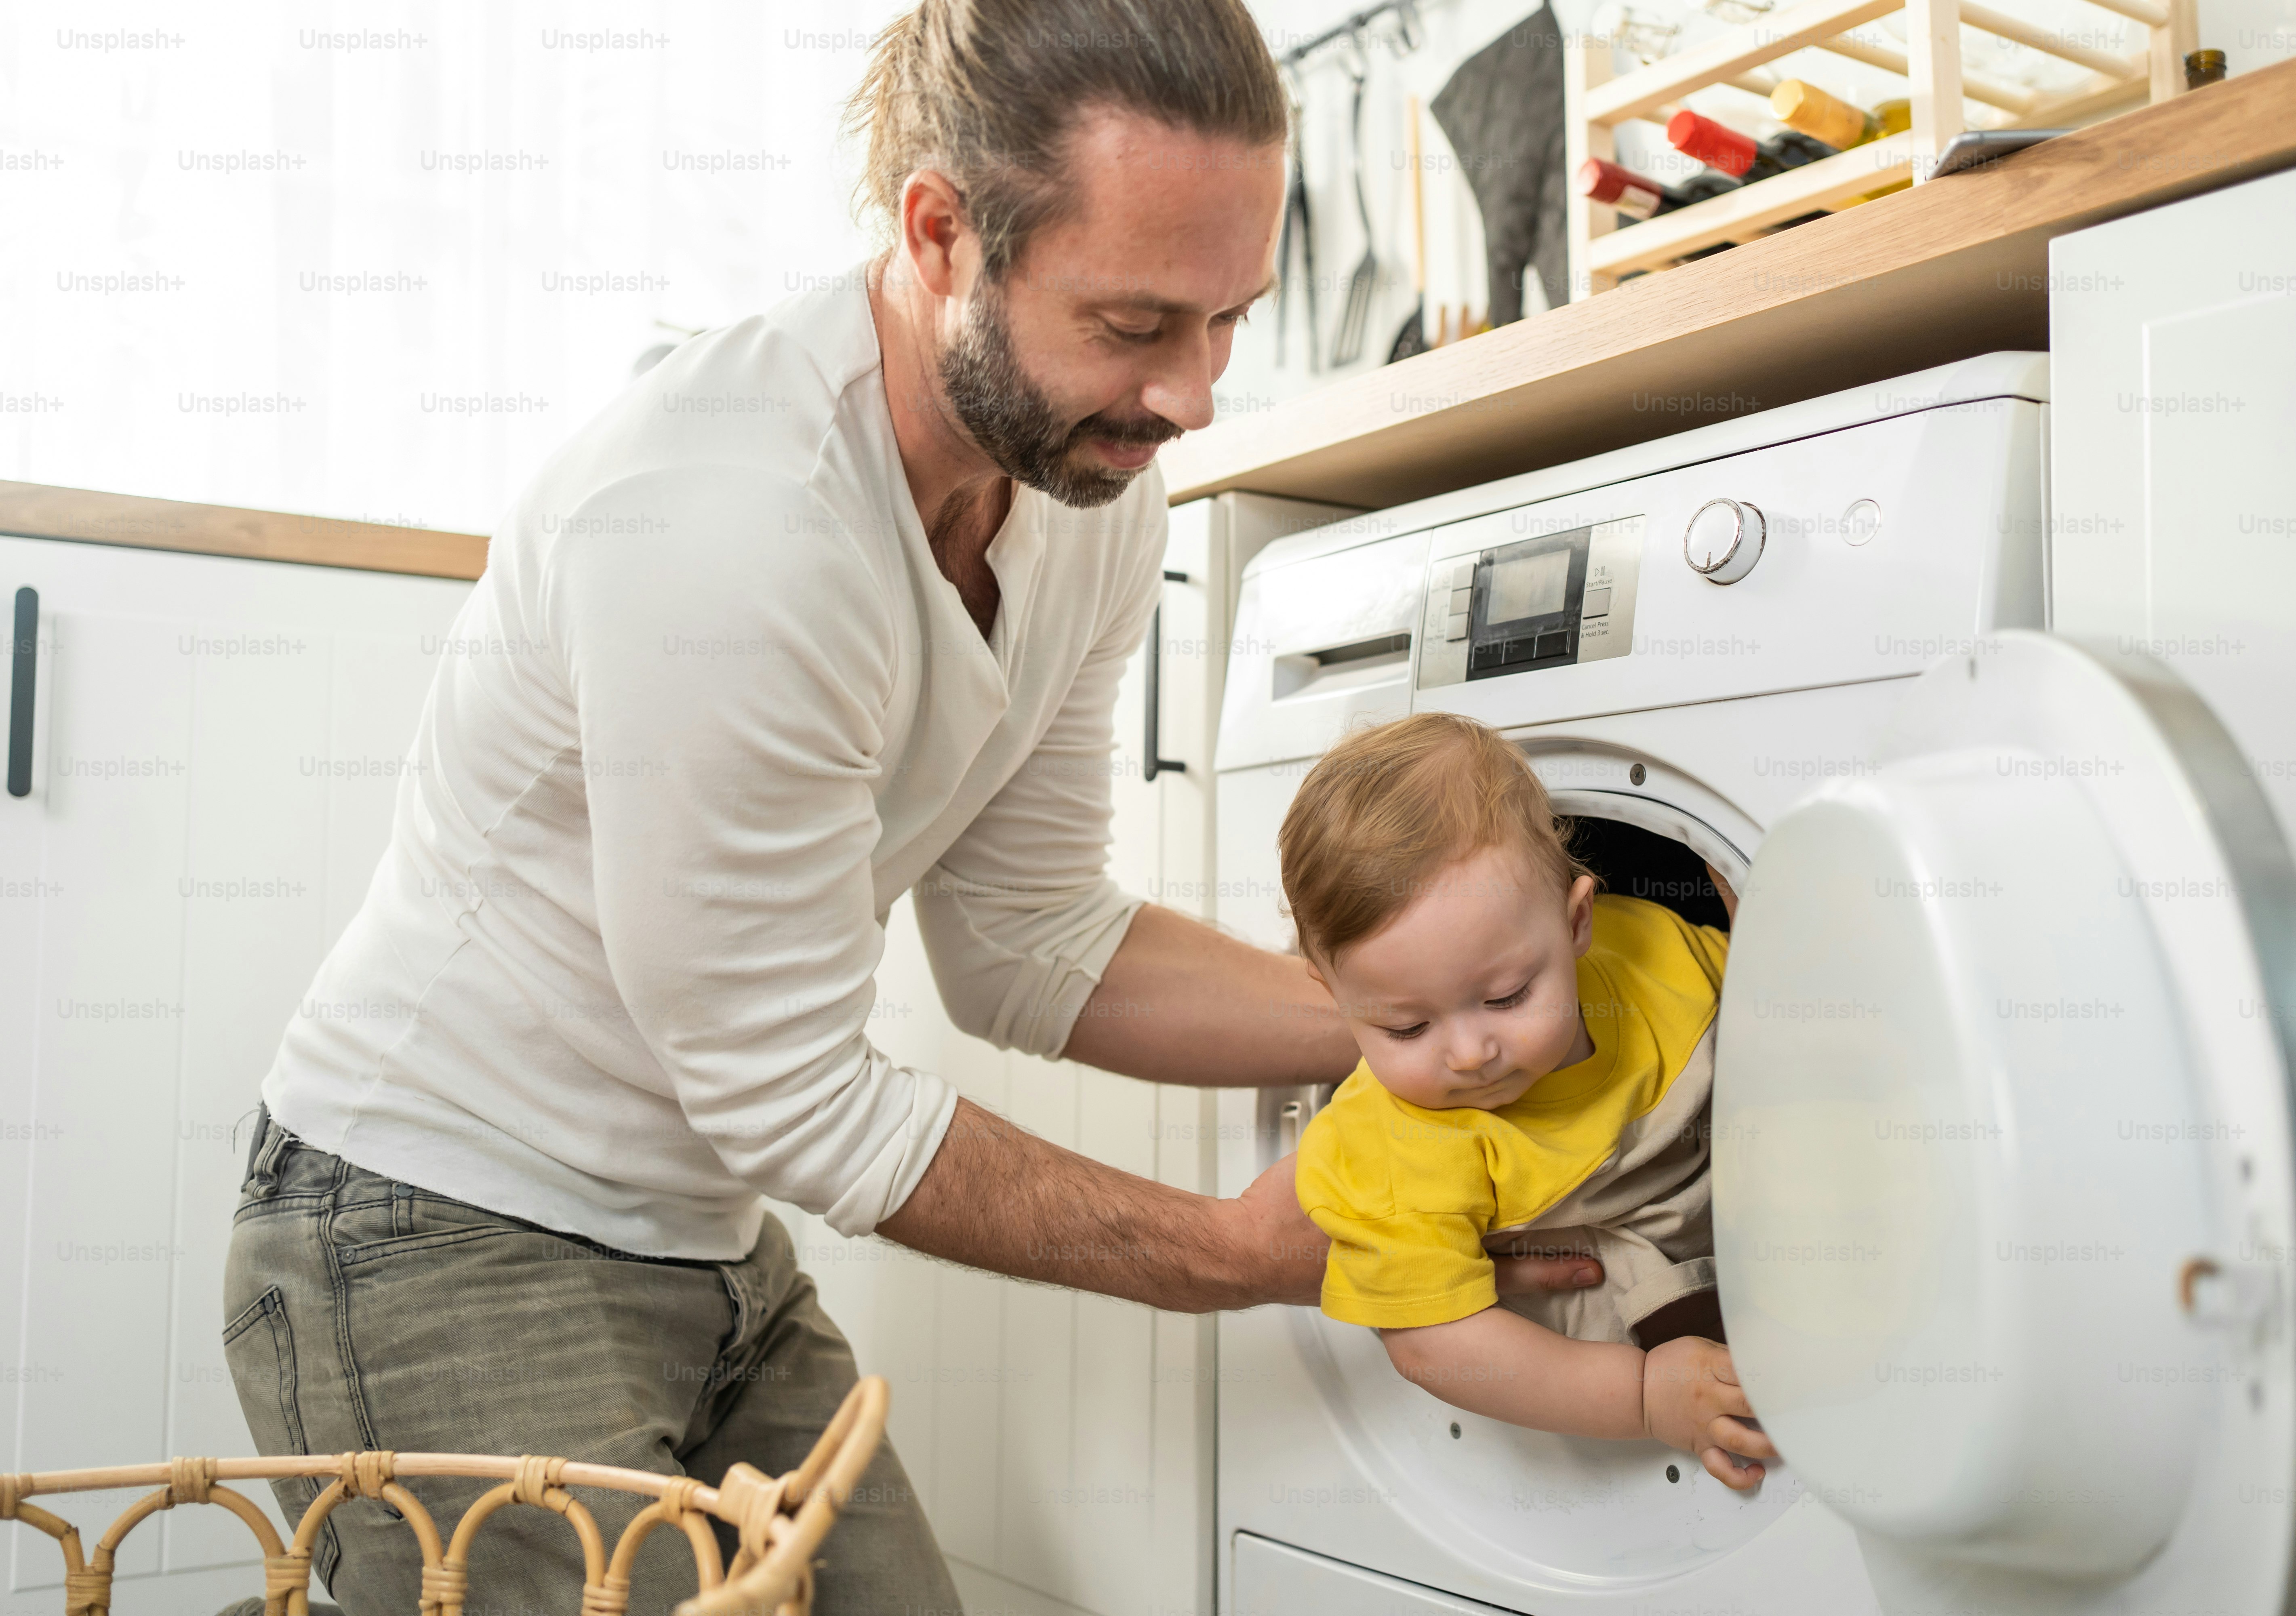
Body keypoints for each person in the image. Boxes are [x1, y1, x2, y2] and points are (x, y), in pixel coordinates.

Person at [217, 4, 1599, 1613]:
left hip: (703, 1241)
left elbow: (1030, 941)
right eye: (1138, 321)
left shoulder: (1087, 492)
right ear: (942, 231)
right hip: (430, 1226)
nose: (1193, 399)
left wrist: (1438, 1024)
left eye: (1228, 319)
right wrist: (1238, 1250)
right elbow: (790, 1092)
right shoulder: (731, 528)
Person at [1283, 713, 1778, 1488]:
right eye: (1407, 1026)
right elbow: (1430, 1342)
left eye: (1509, 996)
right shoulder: (1379, 1151)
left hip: (1766, 1195)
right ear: (1334, 995)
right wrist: (1644, 1397)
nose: (1471, 1053)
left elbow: (1782, 994)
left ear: (1578, 922)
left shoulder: (1652, 952)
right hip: (1616, 1332)